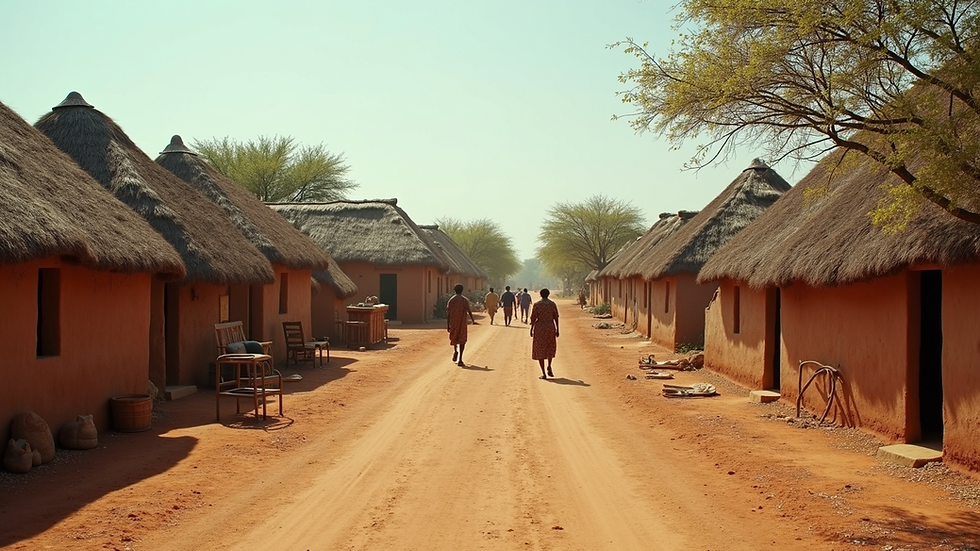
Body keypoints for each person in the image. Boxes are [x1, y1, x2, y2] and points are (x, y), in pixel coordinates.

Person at [530, 288, 560, 379]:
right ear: (548, 294)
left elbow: (533, 318)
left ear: (540, 294)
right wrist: (557, 329)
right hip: (550, 326)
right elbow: (556, 317)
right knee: (550, 346)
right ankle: (549, 365)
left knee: (540, 349)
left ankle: (543, 373)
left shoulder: (537, 305)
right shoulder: (552, 304)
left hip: (540, 327)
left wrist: (531, 329)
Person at [447, 283, 477, 366]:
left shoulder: (451, 300)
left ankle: (455, 350)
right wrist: (472, 319)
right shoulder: (464, 300)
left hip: (454, 323)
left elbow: (448, 313)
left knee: (454, 337)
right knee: (462, 340)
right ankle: (460, 358)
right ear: (462, 290)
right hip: (462, 323)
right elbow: (469, 310)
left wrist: (448, 325)